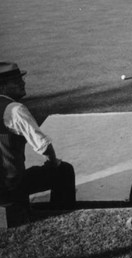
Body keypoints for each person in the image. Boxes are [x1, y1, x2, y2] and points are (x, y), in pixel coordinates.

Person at [0, 62, 76, 226]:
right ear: (2, 87)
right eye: (16, 81)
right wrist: (53, 162)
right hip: (9, 186)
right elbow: (43, 146)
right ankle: (61, 215)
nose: (23, 83)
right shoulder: (14, 109)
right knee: (64, 171)